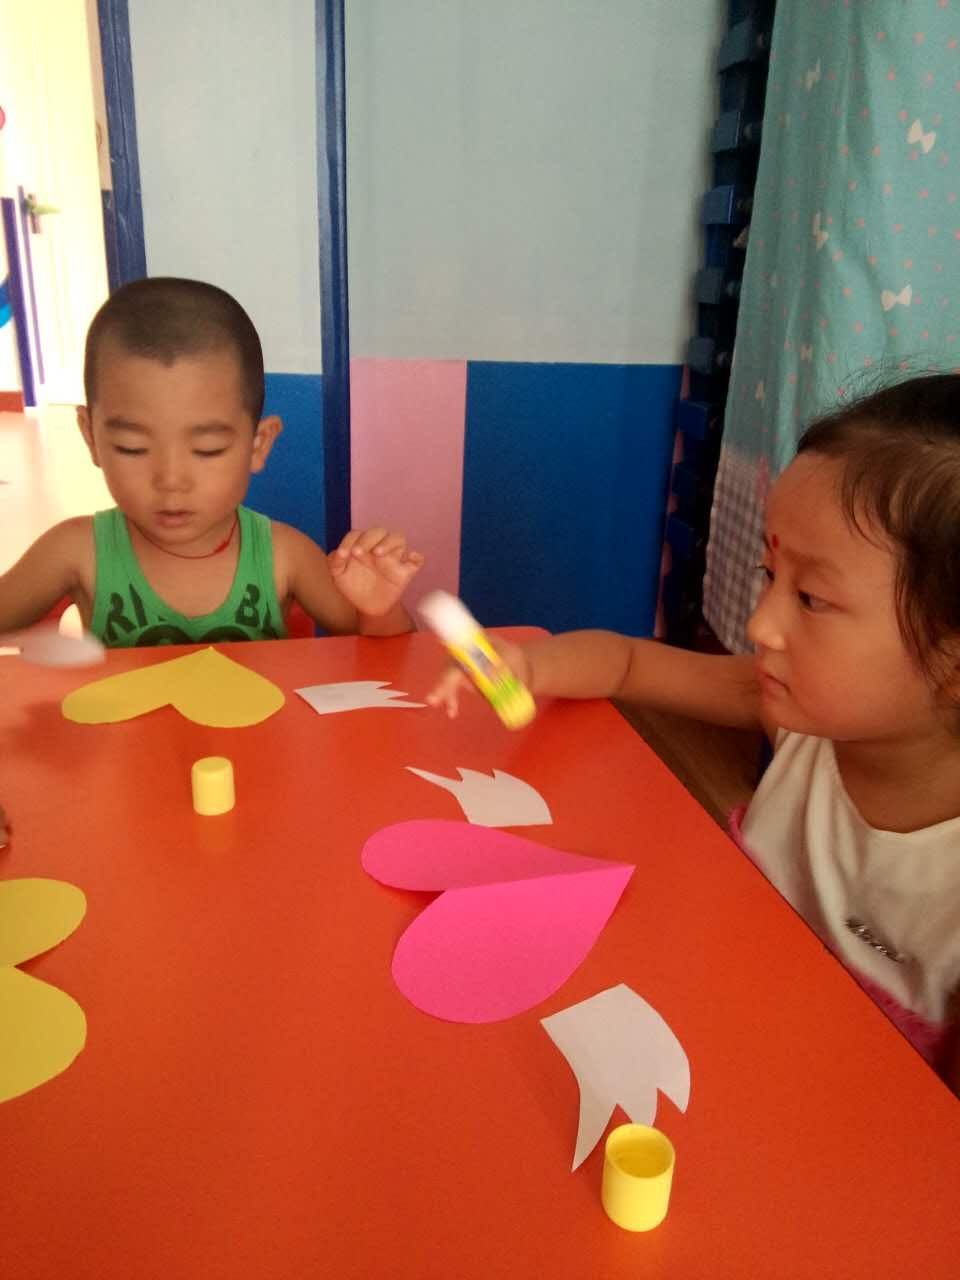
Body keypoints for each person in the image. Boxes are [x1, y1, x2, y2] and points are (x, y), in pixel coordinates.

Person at [429, 373, 960, 1087]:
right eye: (769, 574)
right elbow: (625, 664)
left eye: (811, 598)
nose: (759, 623)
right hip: (710, 1027)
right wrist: (530, 666)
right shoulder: (803, 719)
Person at [0, 277, 423, 646]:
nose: (170, 480)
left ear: (258, 445)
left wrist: (380, 609)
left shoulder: (285, 556)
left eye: (207, 450)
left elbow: (393, 660)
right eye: (132, 447)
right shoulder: (74, 551)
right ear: (91, 438)